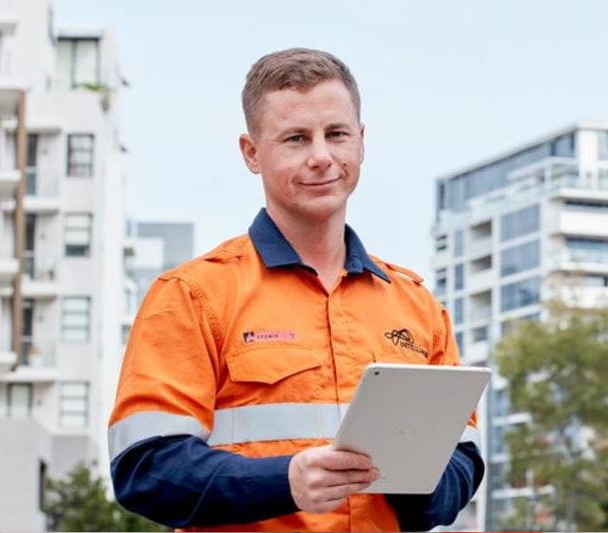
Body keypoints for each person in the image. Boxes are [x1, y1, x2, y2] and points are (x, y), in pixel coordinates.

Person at [108, 48, 484, 532]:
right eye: (296, 138)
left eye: (337, 134)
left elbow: (464, 461)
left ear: (362, 142)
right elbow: (145, 469)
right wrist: (283, 480)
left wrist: (414, 479)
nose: (321, 157)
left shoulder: (416, 306)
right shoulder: (192, 296)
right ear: (251, 153)